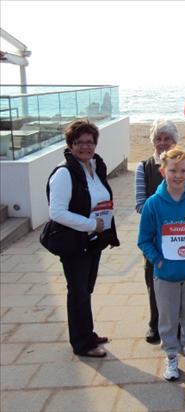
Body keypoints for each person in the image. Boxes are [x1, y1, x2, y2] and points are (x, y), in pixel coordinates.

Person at [138, 147, 185, 380]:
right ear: (163, 171)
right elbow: (144, 240)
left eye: (183, 170)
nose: (178, 175)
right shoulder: (153, 204)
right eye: (173, 170)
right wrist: (158, 261)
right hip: (165, 274)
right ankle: (171, 355)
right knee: (168, 317)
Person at [47, 119, 120, 357]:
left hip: (92, 241)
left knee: (85, 289)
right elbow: (56, 212)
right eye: (80, 142)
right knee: (77, 291)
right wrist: (91, 224)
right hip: (74, 242)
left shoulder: (93, 166)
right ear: (70, 144)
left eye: (90, 142)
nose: (86, 147)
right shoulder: (64, 173)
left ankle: (87, 333)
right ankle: (82, 344)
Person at [135, 119, 185, 344]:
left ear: (175, 141)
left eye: (168, 139)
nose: (163, 143)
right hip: (156, 238)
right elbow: (140, 204)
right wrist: (167, 215)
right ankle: (156, 324)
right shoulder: (143, 168)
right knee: (155, 281)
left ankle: (180, 324)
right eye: (159, 139)